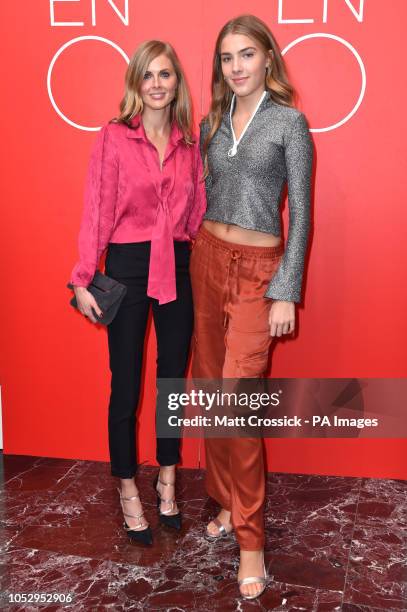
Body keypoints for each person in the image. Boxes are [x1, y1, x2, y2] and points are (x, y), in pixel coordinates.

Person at [190, 14, 314, 599]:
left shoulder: (291, 123)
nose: (235, 67)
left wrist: (285, 288)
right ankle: (224, 502)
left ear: (267, 57)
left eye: (245, 55)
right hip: (206, 261)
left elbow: (303, 216)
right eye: (225, 58)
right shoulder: (212, 120)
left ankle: (251, 538)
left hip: (258, 274)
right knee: (209, 391)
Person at [69, 40, 206, 545]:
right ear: (136, 83)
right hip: (126, 266)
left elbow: (196, 214)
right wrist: (83, 276)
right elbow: (97, 209)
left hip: (179, 266)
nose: (156, 84)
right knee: (125, 384)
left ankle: (166, 477)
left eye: (165, 75)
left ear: (176, 84)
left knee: (172, 381)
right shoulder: (113, 138)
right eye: (147, 75)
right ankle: (127, 485)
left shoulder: (190, 144)